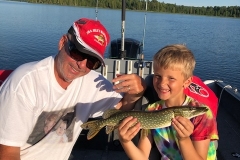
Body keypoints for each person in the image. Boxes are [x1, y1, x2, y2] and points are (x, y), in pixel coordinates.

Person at [0, 18, 146, 160]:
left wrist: (136, 92)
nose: (82, 65)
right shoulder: (25, 83)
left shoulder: (92, 82)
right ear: (63, 42)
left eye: (92, 61)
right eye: (78, 53)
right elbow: (7, 152)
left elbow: (120, 107)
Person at [118, 44, 218, 160]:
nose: (161, 83)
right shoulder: (150, 110)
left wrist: (184, 139)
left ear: (186, 82)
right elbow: (142, 157)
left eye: (171, 78)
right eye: (158, 76)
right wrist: (125, 141)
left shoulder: (203, 115)